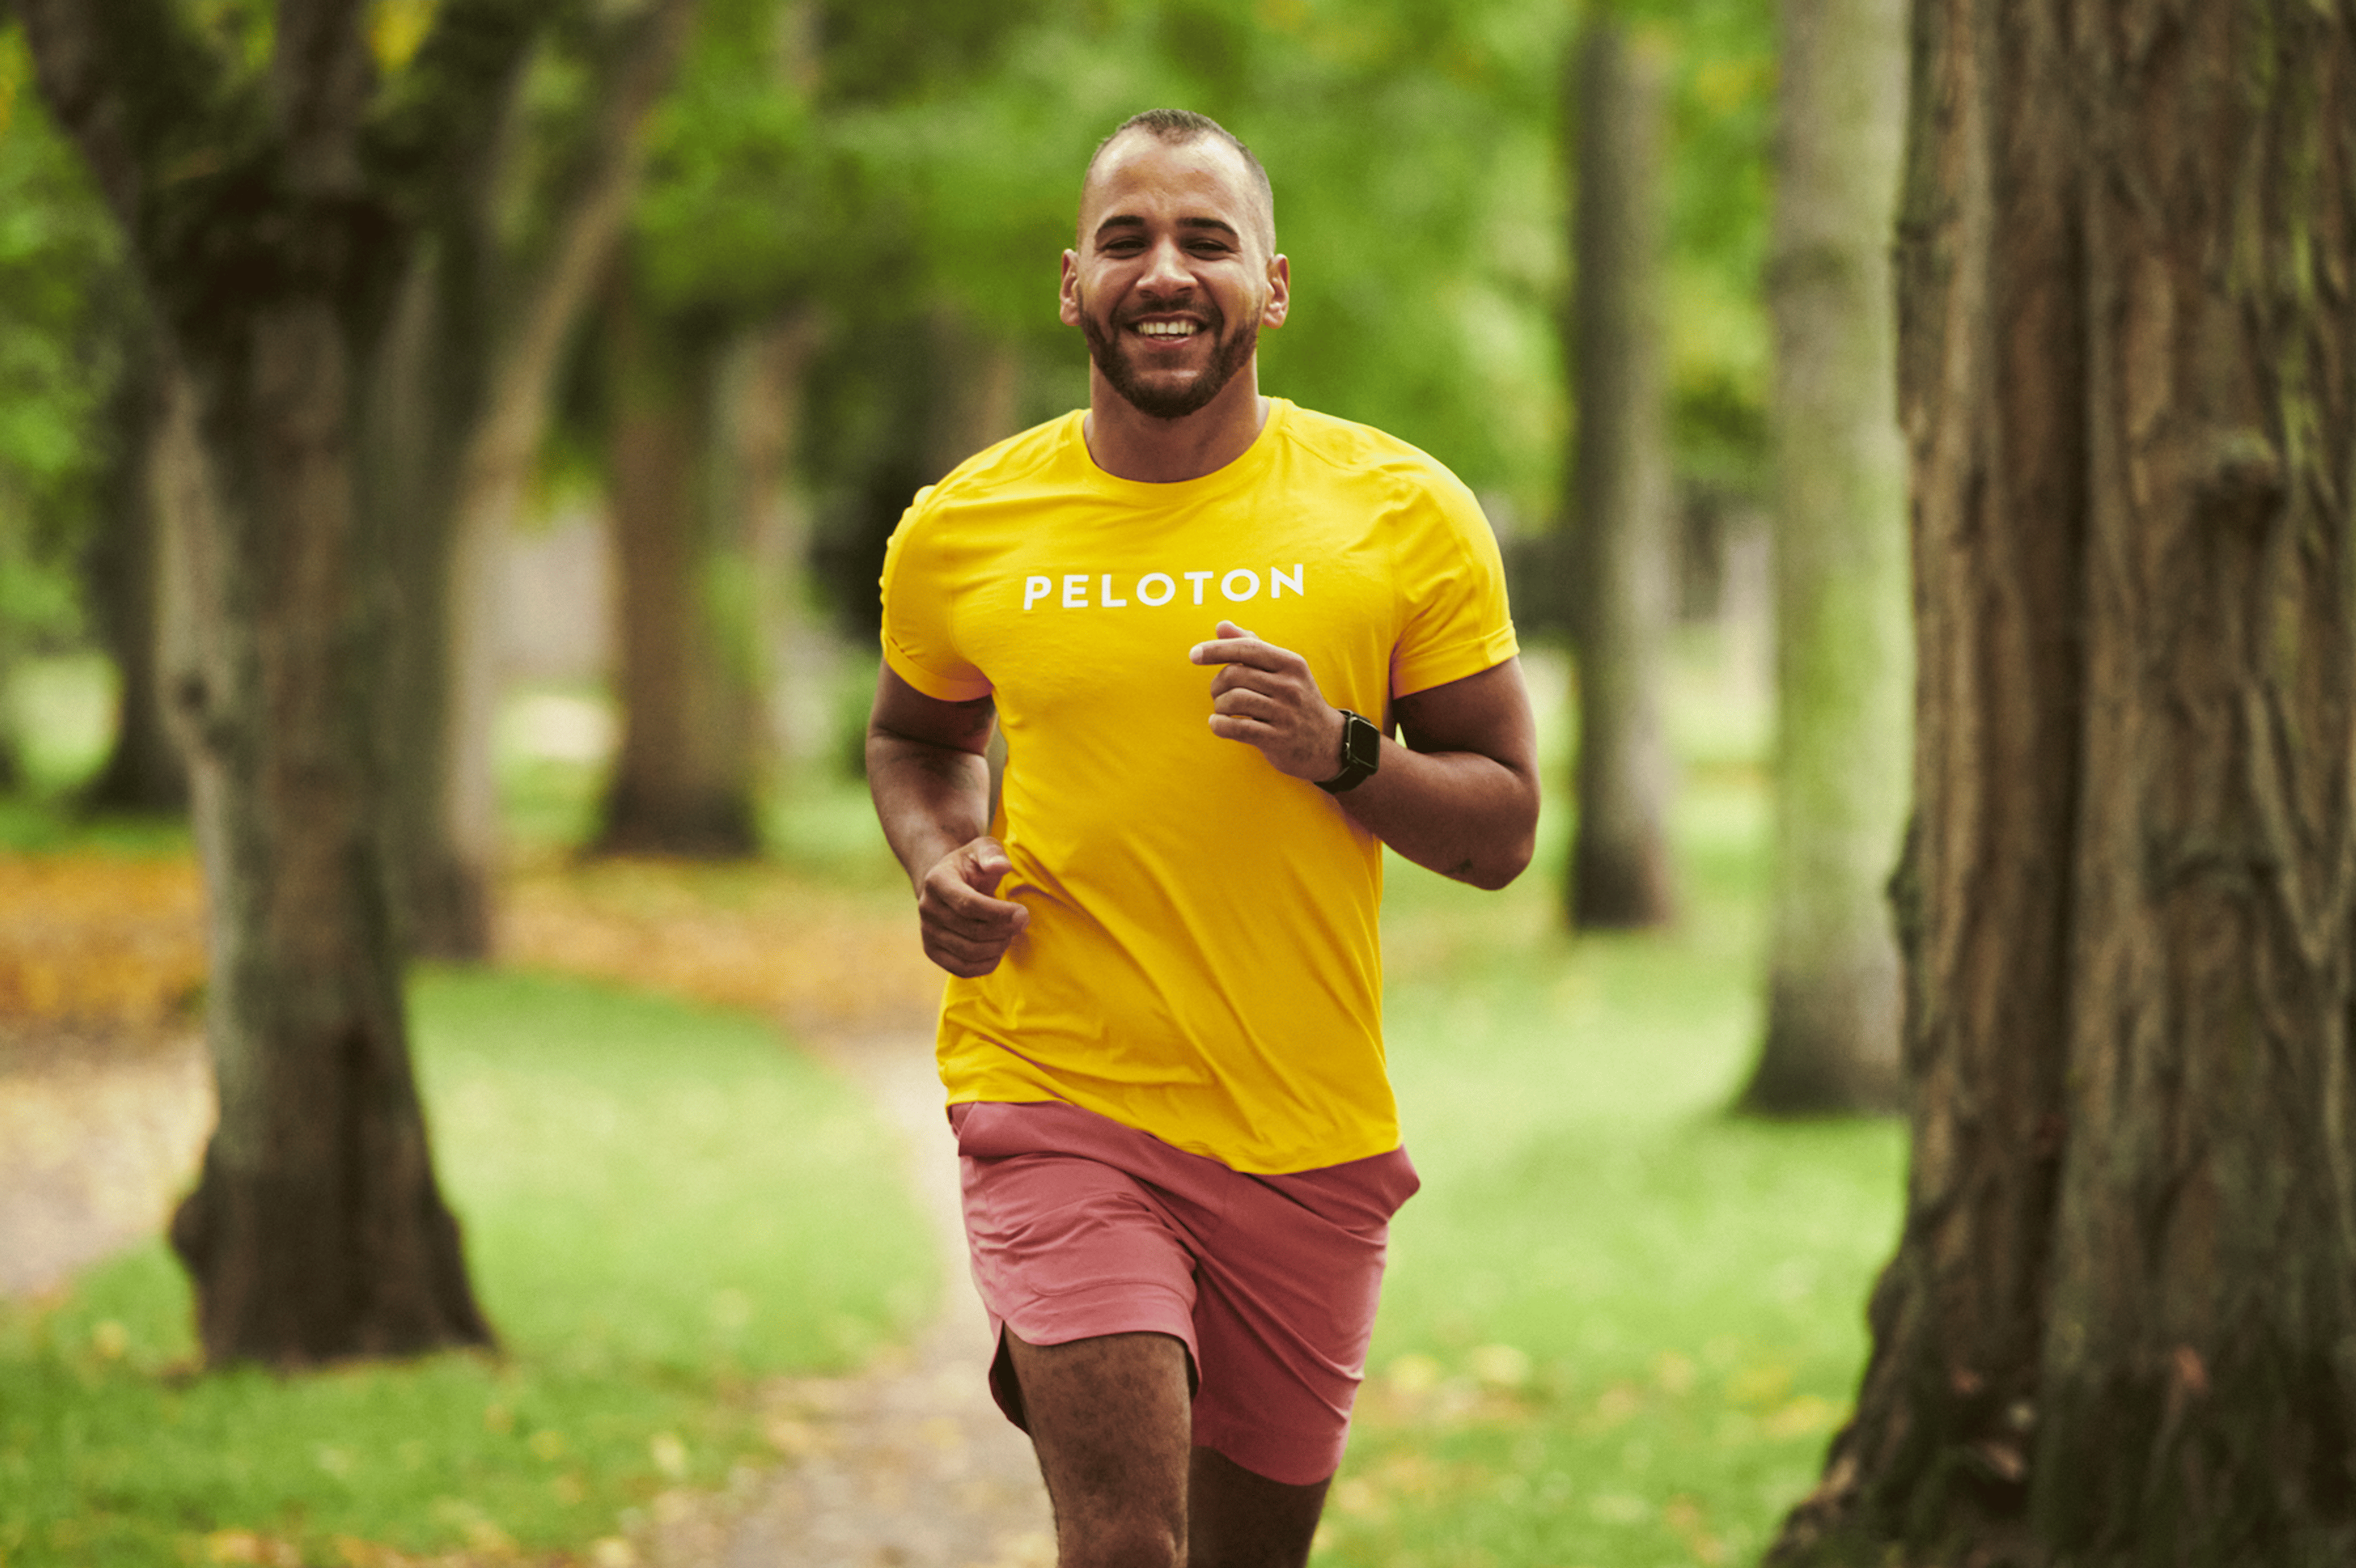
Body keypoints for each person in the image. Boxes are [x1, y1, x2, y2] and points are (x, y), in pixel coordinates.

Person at [866, 107, 1540, 1568]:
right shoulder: (964, 528)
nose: (1164, 270)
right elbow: (917, 740)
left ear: (1271, 286)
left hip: (1306, 1134)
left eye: (1204, 240)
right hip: (1058, 1097)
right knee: (1125, 1548)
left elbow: (1505, 829)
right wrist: (939, 860)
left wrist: (1344, 754)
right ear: (1072, 283)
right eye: (1128, 240)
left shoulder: (1401, 514)